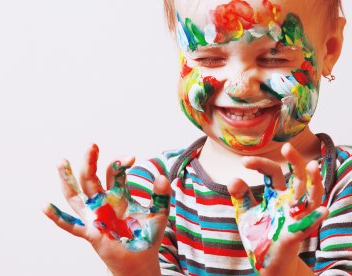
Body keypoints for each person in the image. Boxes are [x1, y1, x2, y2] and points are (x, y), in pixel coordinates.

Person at [43, 0, 351, 275]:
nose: (240, 87)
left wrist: (286, 270)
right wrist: (135, 270)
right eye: (210, 59)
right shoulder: (152, 192)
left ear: (330, 49)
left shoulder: (343, 181)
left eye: (274, 59)